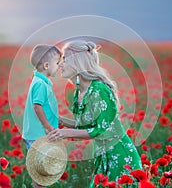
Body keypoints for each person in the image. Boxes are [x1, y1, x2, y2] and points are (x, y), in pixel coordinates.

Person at [47, 40, 142, 187]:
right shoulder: (79, 92)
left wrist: (64, 133)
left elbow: (99, 130)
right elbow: (86, 126)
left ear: (77, 61)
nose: (60, 64)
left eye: (64, 59)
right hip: (103, 157)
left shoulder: (99, 89)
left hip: (121, 157)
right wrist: (61, 121)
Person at [22, 44, 62, 188]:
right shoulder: (40, 84)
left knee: (40, 173)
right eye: (57, 63)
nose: (60, 65)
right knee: (41, 174)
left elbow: (44, 107)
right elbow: (37, 107)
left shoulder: (40, 81)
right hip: (39, 134)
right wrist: (48, 126)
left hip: (38, 133)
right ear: (46, 65)